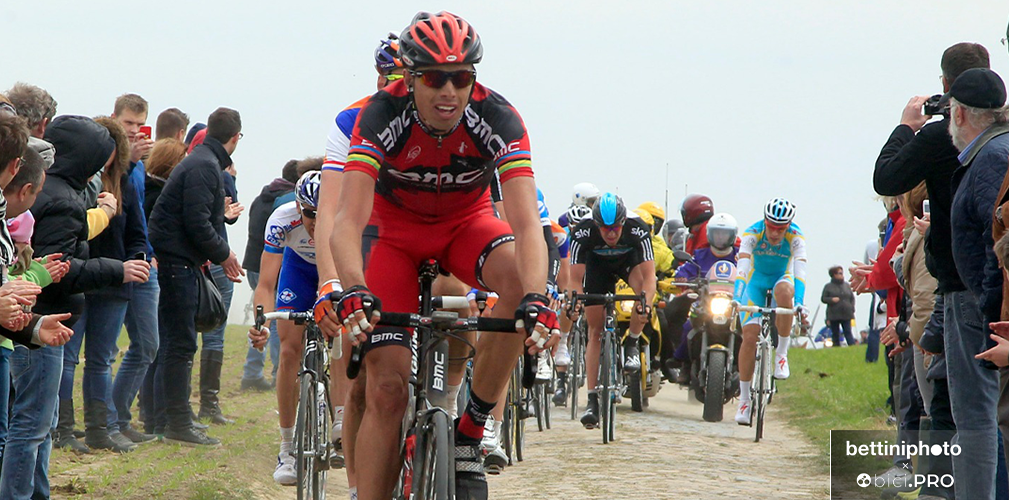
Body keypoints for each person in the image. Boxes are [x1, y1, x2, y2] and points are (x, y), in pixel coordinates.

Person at [324, 12, 558, 499]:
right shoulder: (381, 115)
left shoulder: (497, 117)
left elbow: (525, 224)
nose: (450, 91)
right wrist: (353, 287)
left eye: (462, 77)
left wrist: (538, 296)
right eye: (435, 78)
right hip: (393, 237)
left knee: (516, 282)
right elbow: (348, 221)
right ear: (409, 78)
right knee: (387, 390)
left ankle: (471, 429)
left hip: (464, 226)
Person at [3, 115, 136, 499]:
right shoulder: (65, 202)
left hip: (26, 322)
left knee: (37, 426)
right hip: (40, 323)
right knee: (32, 427)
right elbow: (61, 269)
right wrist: (117, 270)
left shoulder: (48, 192)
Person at [313, 33, 408, 497]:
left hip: (423, 232)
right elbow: (330, 211)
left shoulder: (447, 111)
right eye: (392, 77)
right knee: (366, 374)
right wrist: (331, 281)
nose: (401, 86)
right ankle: (357, 486)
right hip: (369, 234)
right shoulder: (353, 118)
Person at [148, 107, 245, 447]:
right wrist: (226, 255)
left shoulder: (200, 160)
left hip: (180, 260)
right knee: (180, 343)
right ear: (235, 138)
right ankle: (175, 422)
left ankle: (175, 417)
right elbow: (198, 222)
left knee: (179, 341)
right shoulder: (206, 166)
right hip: (178, 262)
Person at [58, 117, 151, 453]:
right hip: (80, 278)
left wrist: (139, 258)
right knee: (68, 357)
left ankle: (101, 429)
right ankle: (63, 430)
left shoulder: (123, 181)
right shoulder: (76, 185)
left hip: (115, 282)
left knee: (101, 359)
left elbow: (137, 229)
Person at [940, 67, 1009, 500]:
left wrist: (988, 301)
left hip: (983, 308)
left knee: (976, 418)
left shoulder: (993, 157)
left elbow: (998, 234)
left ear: (961, 114)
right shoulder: (993, 151)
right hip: (982, 303)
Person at [247, 171, 321, 485]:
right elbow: (265, 283)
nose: (316, 222)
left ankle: (343, 421)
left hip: (336, 268)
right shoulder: (282, 219)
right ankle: (287, 449)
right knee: (290, 352)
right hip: (299, 271)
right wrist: (261, 322)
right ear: (298, 206)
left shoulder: (347, 214)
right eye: (309, 214)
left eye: (323, 213)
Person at [568, 193, 656, 428]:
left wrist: (644, 303)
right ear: (596, 225)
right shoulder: (582, 231)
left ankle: (632, 343)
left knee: (642, 299)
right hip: (596, 267)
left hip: (629, 262)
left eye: (616, 227)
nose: (611, 233)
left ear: (624, 221)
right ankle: (592, 400)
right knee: (595, 331)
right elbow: (574, 280)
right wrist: (574, 302)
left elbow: (649, 278)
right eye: (605, 229)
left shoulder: (637, 229)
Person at [110, 96, 165, 445]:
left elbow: (140, 213)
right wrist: (128, 161)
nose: (133, 130)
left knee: (147, 345)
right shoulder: (110, 157)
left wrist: (150, 251)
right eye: (128, 123)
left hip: (144, 260)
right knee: (101, 353)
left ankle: (119, 418)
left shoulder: (141, 164)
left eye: (139, 124)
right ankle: (109, 423)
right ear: (115, 119)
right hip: (115, 263)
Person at [733, 197, 807, 425]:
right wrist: (736, 298)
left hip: (780, 280)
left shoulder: (796, 237)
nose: (775, 233)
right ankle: (744, 400)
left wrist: (800, 302)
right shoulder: (752, 233)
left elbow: (799, 270)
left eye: (780, 229)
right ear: (764, 221)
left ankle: (781, 355)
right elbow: (743, 267)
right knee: (749, 336)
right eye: (771, 227)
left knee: (786, 292)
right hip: (755, 283)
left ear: (788, 226)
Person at [240, 159, 299, 391]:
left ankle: (251, 373)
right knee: (275, 323)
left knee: (261, 320)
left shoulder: (262, 197)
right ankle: (279, 372)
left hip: (254, 264)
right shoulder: (288, 202)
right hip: (273, 266)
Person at [666, 212, 739, 384]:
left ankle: (745, 367)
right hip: (706, 302)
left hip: (733, 304)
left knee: (746, 329)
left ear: (732, 236)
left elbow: (750, 272)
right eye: (717, 233)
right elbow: (684, 270)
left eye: (725, 234)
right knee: (689, 324)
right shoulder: (700, 254)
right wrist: (681, 278)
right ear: (709, 234)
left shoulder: (740, 256)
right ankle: (683, 362)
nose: (720, 238)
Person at [822, 266, 856, 346]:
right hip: (834, 314)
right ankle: (836, 347)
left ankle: (852, 346)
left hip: (846, 313)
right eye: (840, 273)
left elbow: (852, 298)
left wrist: (852, 308)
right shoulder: (828, 286)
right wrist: (831, 300)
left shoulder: (846, 285)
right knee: (835, 333)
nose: (842, 275)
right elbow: (823, 298)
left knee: (848, 332)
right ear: (834, 275)